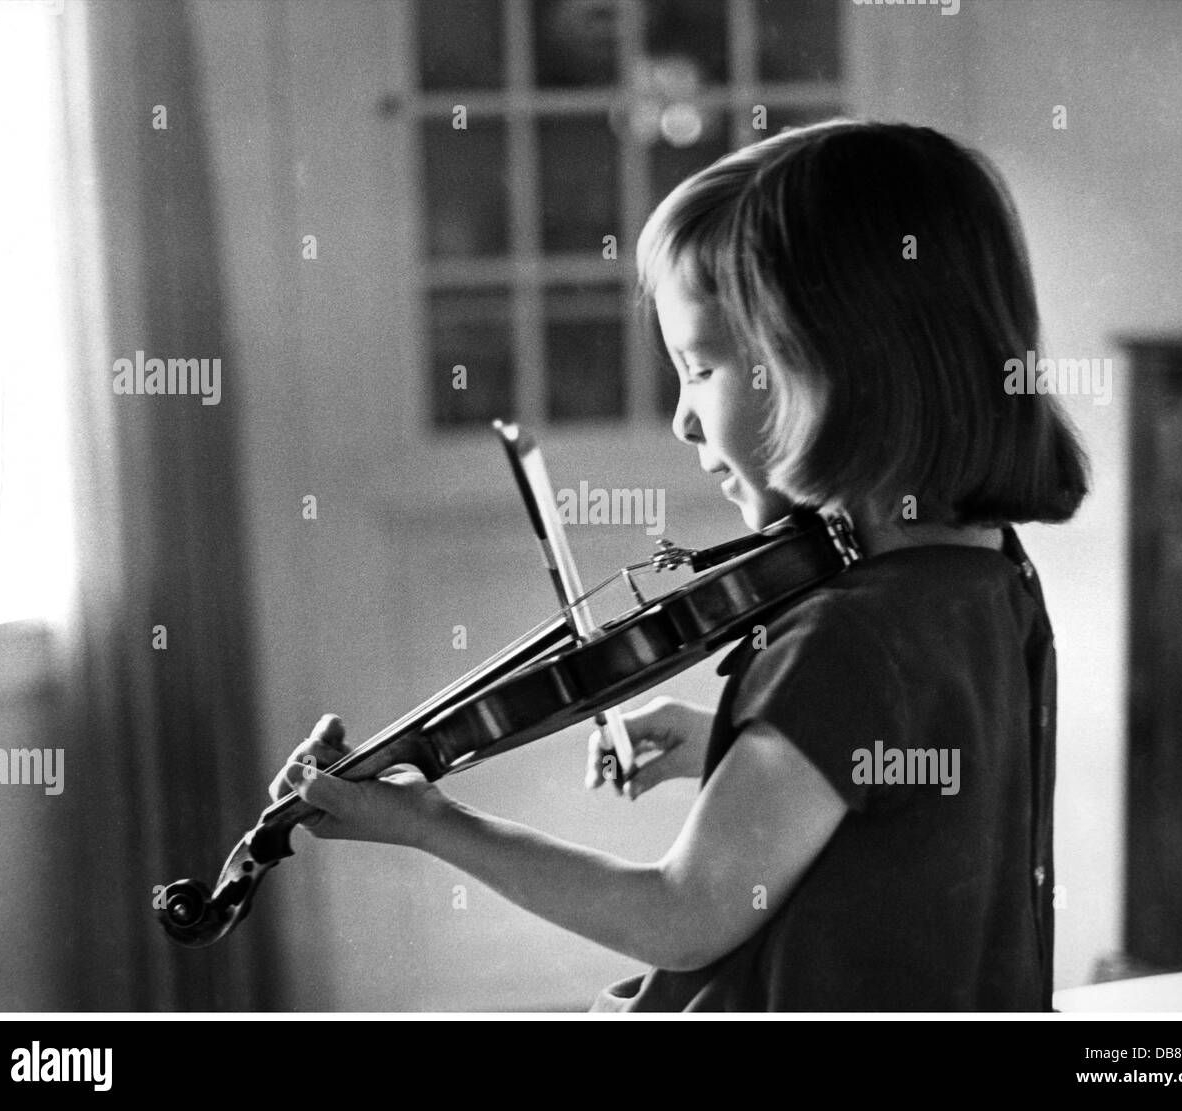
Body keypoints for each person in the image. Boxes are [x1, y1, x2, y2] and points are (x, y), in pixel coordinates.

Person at [271, 120, 1088, 1011]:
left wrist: (435, 823)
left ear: (831, 365)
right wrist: (726, 743)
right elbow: (925, 791)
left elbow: (681, 913)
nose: (683, 420)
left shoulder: (847, 634)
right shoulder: (988, 578)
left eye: (700, 369)